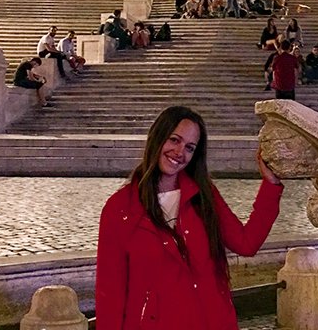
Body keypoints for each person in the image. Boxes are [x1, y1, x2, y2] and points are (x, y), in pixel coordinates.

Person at [95, 106, 283, 330]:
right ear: (158, 137)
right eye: (174, 140)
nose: (180, 152)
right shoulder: (119, 209)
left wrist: (270, 185)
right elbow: (110, 293)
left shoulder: (203, 194)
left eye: (190, 148)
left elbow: (246, 243)